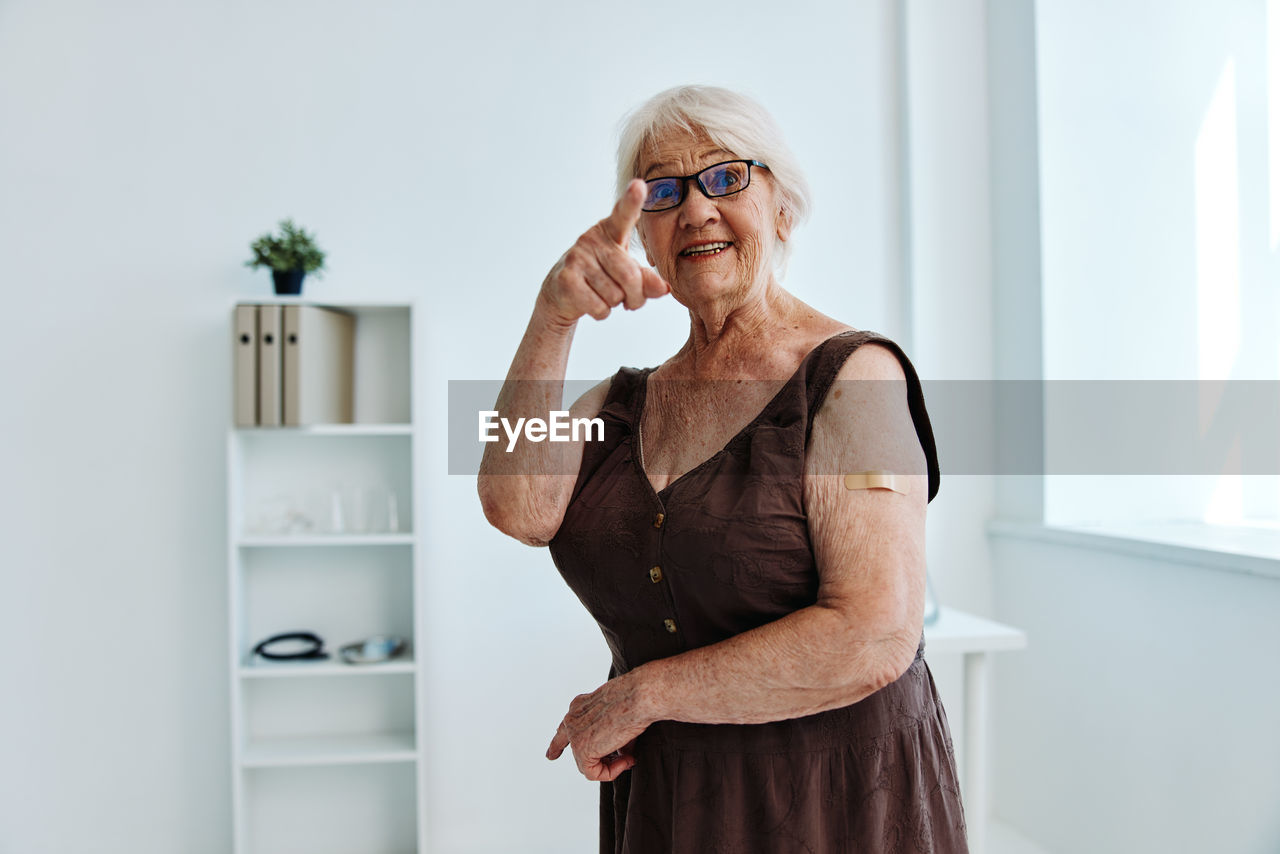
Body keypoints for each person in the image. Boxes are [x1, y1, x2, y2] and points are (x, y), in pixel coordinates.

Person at [477, 84, 966, 853]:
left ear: (782, 208)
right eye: (664, 191)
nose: (696, 208)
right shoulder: (622, 402)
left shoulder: (856, 380)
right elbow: (515, 503)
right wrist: (554, 315)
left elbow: (874, 634)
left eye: (726, 176)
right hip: (672, 806)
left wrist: (644, 694)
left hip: (831, 806)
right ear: (644, 234)